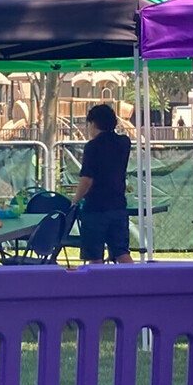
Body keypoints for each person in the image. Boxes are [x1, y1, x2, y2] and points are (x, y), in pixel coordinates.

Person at [72, 103, 134, 264]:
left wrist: (75, 200)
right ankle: (135, 283)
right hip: (118, 204)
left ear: (93, 124)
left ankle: (98, 288)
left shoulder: (92, 147)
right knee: (121, 252)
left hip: (96, 208)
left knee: (95, 257)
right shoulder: (124, 143)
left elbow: (87, 179)